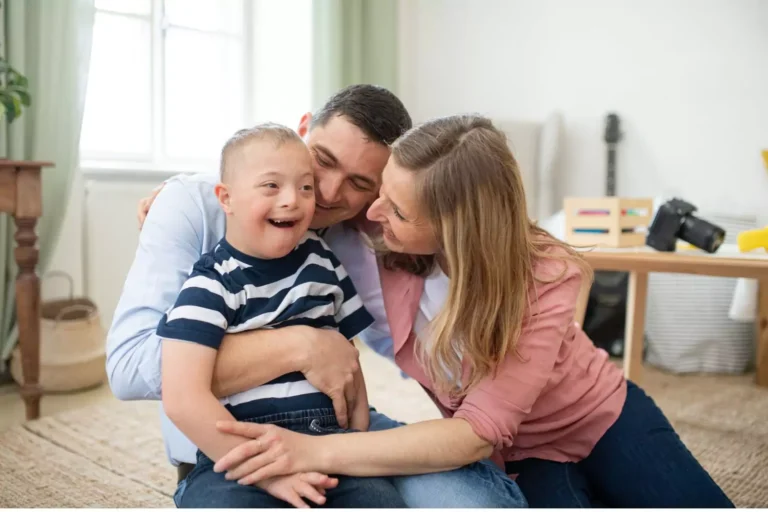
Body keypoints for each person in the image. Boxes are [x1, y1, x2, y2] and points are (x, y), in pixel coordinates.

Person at [208, 114, 735, 508]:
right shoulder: (378, 233)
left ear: (454, 229)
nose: (371, 212)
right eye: (383, 191)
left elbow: (474, 431)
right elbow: (278, 163)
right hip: (522, 455)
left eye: (397, 209)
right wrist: (184, 198)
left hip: (601, 416)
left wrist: (312, 451)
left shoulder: (547, 274)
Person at [109, 85, 526, 508]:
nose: (325, 192)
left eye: (358, 183)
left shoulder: (359, 237)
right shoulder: (196, 214)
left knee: (476, 502)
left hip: (331, 433)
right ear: (304, 128)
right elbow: (128, 369)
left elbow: (410, 348)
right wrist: (302, 346)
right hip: (229, 441)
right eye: (322, 160)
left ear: (377, 194)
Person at [158, 123, 406, 508]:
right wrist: (269, 472)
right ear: (227, 198)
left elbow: (348, 363)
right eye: (271, 186)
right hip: (242, 455)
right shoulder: (209, 284)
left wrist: (358, 440)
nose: (292, 199)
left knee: (383, 502)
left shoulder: (324, 264)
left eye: (305, 187)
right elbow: (181, 398)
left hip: (327, 446)